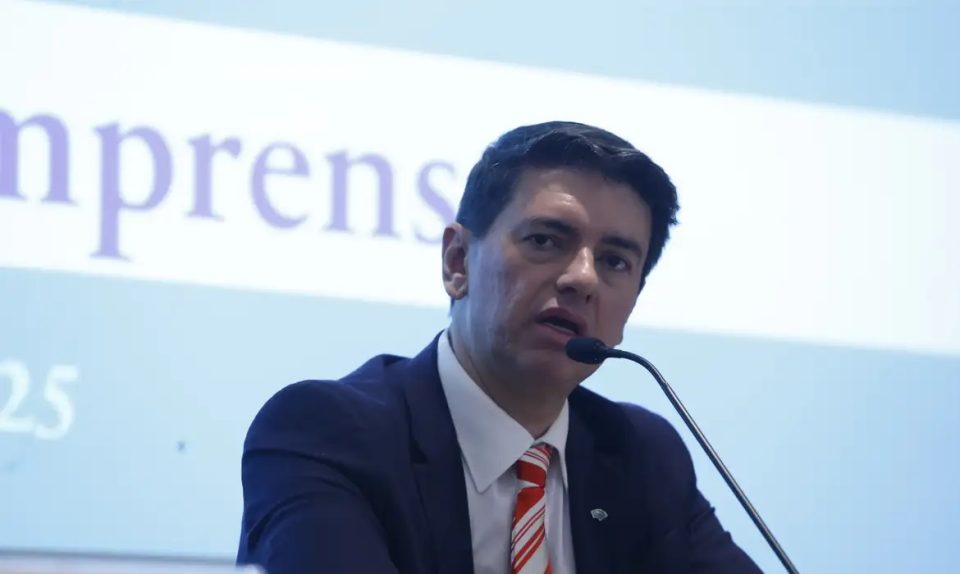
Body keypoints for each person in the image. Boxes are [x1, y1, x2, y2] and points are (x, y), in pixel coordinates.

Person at [237, 121, 761, 573]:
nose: (583, 278)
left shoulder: (642, 456)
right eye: (545, 240)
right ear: (457, 262)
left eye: (615, 261)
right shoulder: (328, 432)